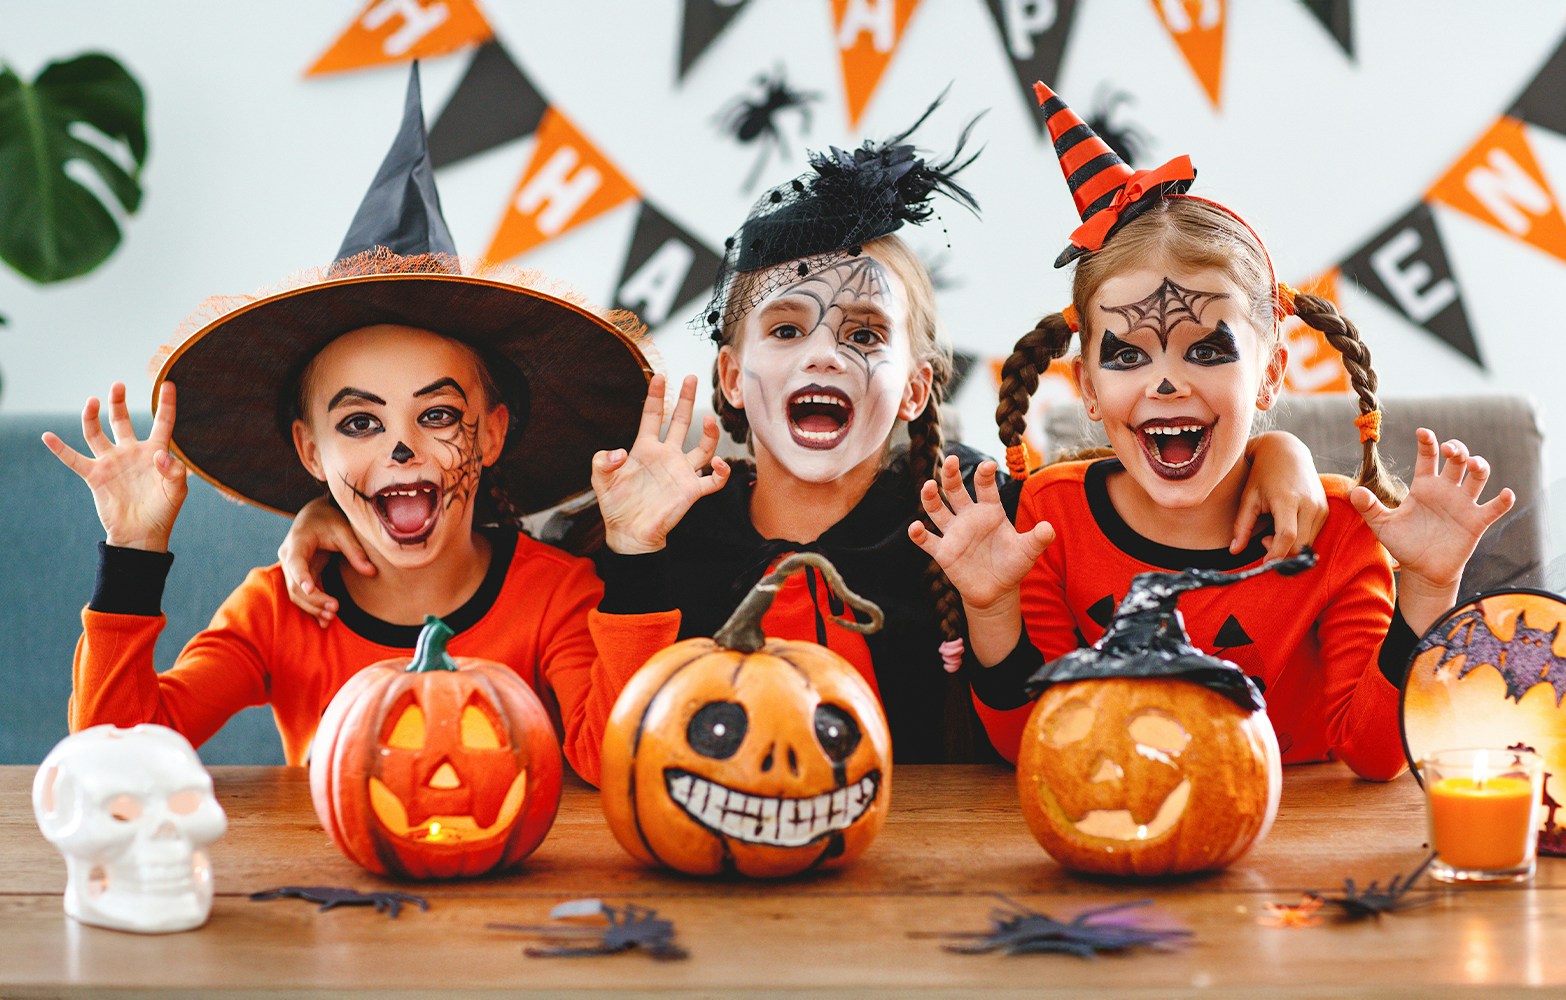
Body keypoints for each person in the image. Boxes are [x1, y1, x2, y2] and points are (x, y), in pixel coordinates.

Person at [283, 99, 1327, 763]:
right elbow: (496, 568)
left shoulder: (973, 508)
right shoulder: (664, 526)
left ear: (916, 385)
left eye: (864, 333)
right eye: (787, 328)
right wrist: (330, 527)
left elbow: (1136, 494)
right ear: (734, 377)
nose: (825, 354)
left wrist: (1279, 455)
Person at [46, 67, 652, 786]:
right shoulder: (281, 609)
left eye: (436, 415)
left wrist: (638, 558)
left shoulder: (555, 595)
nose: (402, 447)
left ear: (490, 435)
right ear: (311, 449)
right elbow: (115, 758)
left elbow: (622, 760)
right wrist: (134, 555)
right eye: (360, 421)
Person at [912, 83, 1515, 779]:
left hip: (1292, 861)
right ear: (1089, 389)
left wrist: (1430, 591)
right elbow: (1031, 748)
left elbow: (1375, 754)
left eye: (1207, 350)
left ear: (1270, 375)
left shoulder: (1343, 533)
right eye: (1129, 355)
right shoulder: (1051, 519)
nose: (1166, 382)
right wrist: (991, 610)